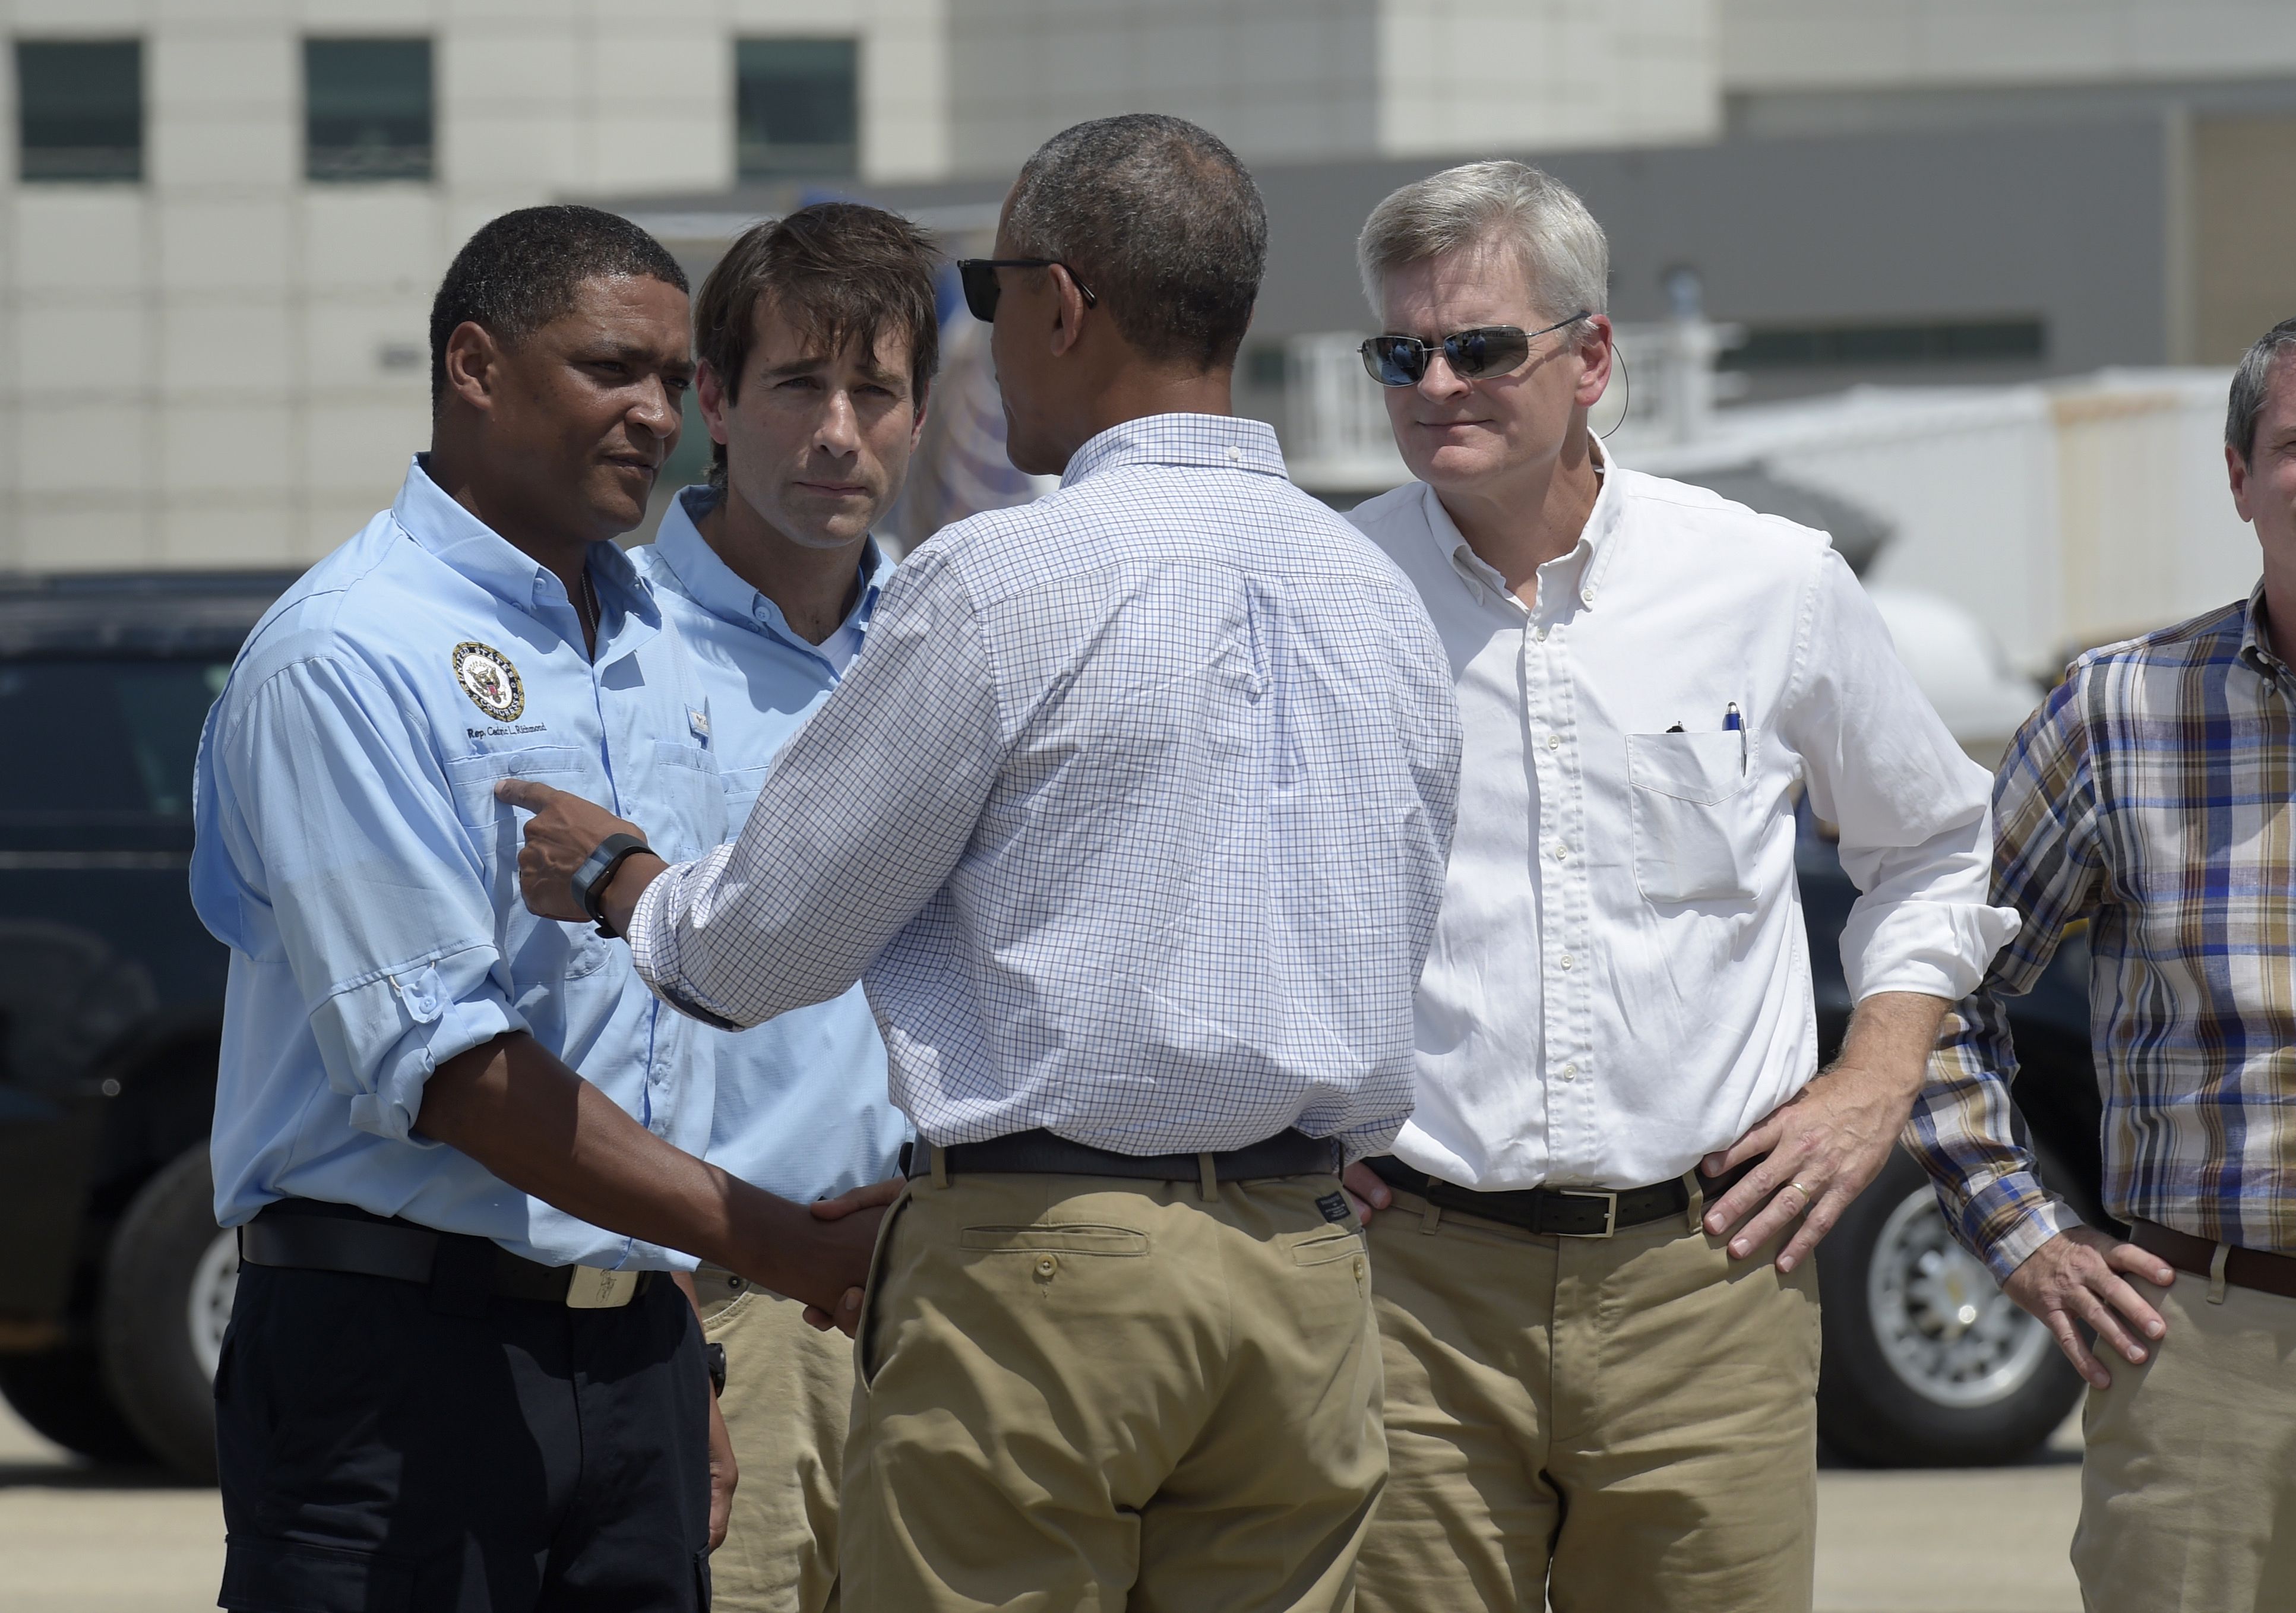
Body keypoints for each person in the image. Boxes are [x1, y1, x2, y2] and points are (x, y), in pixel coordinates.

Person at [498, 114, 1462, 1613]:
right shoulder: (1377, 590)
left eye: (993, 295)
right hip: (1304, 1268)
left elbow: (752, 958)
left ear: (1063, 304)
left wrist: (623, 877)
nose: (983, 345)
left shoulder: (1002, 577)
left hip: (1048, 1276)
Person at [1337, 161, 2017, 1613]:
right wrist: (1287, 1116)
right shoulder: (1324, 598)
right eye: (1402, 354)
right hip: (1410, 1299)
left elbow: (1940, 846)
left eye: (1479, 347)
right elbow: (1235, 893)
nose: (1437, 384)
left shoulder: (1768, 584)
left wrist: (1874, 1078)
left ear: (1589, 358)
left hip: (1706, 1282)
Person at [194, 206, 884, 1613]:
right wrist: (764, 1239)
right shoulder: (347, 654)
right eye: (608, 369)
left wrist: (665, 1322)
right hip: (392, 1351)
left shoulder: (647, 641)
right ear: (475, 365)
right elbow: (443, 1069)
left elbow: (644, 1040)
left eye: (672, 380)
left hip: (629, 1350)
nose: (655, 414)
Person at [1911, 302, 2296, 1612]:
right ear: (2240, 479)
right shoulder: (2119, 714)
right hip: (2197, 1354)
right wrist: (2028, 1236)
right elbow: (1938, 988)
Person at [635, 201, 934, 1613]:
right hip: (718, 1302)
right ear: (712, 399)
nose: (837, 433)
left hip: (944, 1298)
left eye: (874, 391)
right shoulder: (607, 643)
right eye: (798, 386)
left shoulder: (954, 642)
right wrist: (666, 1320)